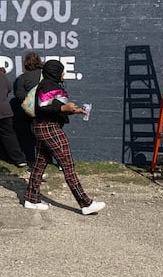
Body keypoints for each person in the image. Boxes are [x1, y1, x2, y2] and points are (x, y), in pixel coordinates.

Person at [24, 59, 106, 215]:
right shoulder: (47, 85)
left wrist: (73, 110)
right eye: (62, 71)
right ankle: (85, 203)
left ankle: (31, 199)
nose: (64, 74)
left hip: (43, 127)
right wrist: (63, 107)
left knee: (40, 163)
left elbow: (53, 108)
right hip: (49, 128)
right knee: (67, 164)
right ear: (55, 72)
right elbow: (42, 107)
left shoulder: (51, 85)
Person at [12, 52, 44, 166]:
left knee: (29, 136)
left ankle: (32, 160)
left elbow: (19, 95)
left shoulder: (23, 78)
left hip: (31, 112)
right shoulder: (45, 74)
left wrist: (29, 97)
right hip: (46, 109)